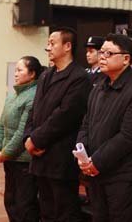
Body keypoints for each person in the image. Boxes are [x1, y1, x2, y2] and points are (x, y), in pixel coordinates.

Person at [76, 33, 132, 222]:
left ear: (126, 58)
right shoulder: (99, 86)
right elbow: (86, 123)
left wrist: (96, 162)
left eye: (108, 53)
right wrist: (83, 153)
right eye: (101, 52)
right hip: (97, 174)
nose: (102, 57)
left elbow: (129, 136)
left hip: (124, 177)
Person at [23, 27, 92, 222]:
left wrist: (36, 139)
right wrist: (28, 137)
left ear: (67, 46)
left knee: (64, 211)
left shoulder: (79, 77)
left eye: (53, 43)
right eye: (48, 43)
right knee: (45, 210)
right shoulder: (46, 75)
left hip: (60, 156)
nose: (48, 48)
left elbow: (65, 116)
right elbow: (34, 109)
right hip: (40, 156)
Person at [0, 56, 43, 222]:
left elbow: (22, 132)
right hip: (10, 158)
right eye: (16, 70)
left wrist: (5, 153)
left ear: (32, 73)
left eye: (20, 70)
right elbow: (0, 125)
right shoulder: (12, 96)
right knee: (10, 201)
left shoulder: (33, 96)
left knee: (24, 205)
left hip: (24, 160)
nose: (16, 74)